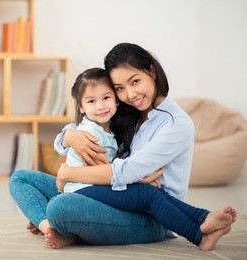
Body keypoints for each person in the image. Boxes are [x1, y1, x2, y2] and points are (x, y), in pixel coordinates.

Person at [9, 43, 237, 251]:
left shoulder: (178, 125)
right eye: (119, 88)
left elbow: (129, 171)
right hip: (106, 195)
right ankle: (51, 228)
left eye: (135, 81)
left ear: (152, 71)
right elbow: (83, 128)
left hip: (149, 217)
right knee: (20, 178)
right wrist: (69, 135)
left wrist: (68, 173)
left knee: (60, 206)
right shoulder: (127, 114)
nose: (130, 94)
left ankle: (65, 224)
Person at [57, 66, 236, 251]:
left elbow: (112, 170)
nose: (101, 106)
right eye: (92, 101)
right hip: (84, 188)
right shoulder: (91, 134)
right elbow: (107, 171)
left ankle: (203, 217)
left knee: (154, 194)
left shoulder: (109, 128)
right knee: (148, 194)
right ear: (81, 107)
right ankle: (198, 236)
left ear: (116, 100)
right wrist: (68, 136)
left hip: (93, 185)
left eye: (106, 98)